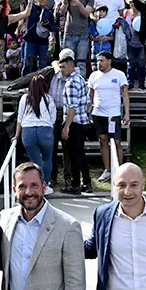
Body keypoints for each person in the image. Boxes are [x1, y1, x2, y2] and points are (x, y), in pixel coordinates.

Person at [88, 51, 130, 182]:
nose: (99, 63)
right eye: (97, 61)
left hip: (113, 114)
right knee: (103, 140)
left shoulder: (119, 75)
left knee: (117, 142)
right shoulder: (93, 76)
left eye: (101, 60)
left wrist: (127, 113)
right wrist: (87, 111)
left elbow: (125, 95)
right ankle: (107, 170)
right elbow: (90, 96)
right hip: (98, 113)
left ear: (109, 61)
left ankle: (120, 171)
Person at [57, 49, 92, 194]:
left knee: (72, 155)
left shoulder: (71, 83)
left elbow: (72, 107)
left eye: (63, 67)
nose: (61, 70)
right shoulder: (81, 79)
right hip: (82, 122)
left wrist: (66, 127)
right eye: (60, 67)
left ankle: (75, 184)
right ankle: (87, 182)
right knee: (80, 154)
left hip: (73, 123)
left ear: (71, 66)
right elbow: (88, 101)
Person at [15, 75, 57, 193]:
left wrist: (17, 135)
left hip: (28, 130)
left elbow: (20, 118)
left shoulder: (24, 98)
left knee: (35, 161)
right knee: (47, 159)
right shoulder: (49, 98)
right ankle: (45, 184)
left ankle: (37, 185)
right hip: (45, 130)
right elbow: (53, 118)